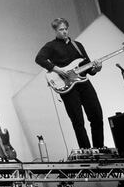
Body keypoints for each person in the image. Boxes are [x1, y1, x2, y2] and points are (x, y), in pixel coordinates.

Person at [35, 17, 104, 149]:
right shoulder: (51, 46)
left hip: (84, 83)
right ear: (55, 30)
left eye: (66, 29)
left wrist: (97, 68)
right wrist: (57, 69)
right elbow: (39, 58)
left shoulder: (77, 45)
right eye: (61, 29)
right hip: (68, 86)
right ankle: (86, 152)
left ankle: (99, 149)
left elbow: (89, 68)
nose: (64, 32)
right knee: (78, 121)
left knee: (96, 115)